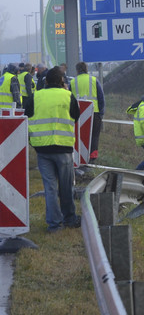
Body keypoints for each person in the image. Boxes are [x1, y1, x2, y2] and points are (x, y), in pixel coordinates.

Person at [26, 66, 81, 233]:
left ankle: (54, 225)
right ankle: (70, 219)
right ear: (62, 81)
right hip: (63, 148)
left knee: (49, 188)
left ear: (46, 81)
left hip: (42, 149)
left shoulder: (36, 96)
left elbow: (26, 116)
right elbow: (76, 116)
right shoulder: (68, 95)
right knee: (66, 187)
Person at [70, 62, 105, 162]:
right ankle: (92, 156)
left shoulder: (73, 82)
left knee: (79, 134)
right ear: (86, 69)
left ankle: (78, 155)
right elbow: (101, 98)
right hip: (94, 111)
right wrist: (101, 113)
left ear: (77, 70)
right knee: (94, 135)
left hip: (77, 112)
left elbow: (69, 98)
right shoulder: (94, 80)